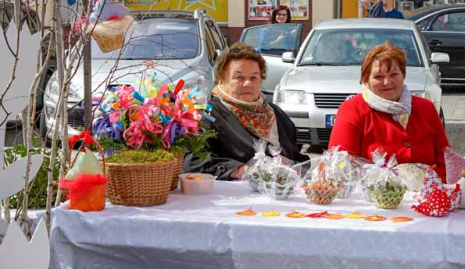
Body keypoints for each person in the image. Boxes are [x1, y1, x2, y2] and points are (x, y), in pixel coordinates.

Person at [184, 42, 307, 179]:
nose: (248, 83)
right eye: (239, 77)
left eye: (254, 77)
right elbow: (193, 161)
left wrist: (303, 169)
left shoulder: (277, 115)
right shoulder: (206, 115)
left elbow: (298, 158)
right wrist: (241, 171)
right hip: (234, 197)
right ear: (221, 80)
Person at [329, 42, 449, 179]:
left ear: (403, 76)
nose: (387, 82)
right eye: (378, 77)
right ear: (365, 80)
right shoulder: (352, 109)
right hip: (373, 195)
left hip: (425, 194)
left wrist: (435, 187)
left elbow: (444, 158)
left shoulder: (426, 107)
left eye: (394, 74)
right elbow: (341, 163)